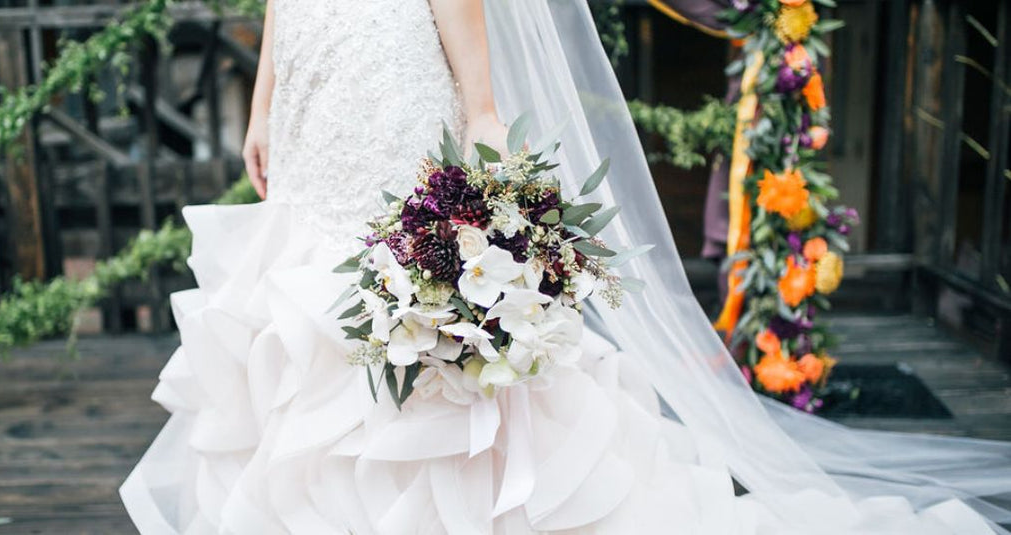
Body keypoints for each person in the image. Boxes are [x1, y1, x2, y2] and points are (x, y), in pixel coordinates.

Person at [120, 0, 1011, 533]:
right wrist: (265, 98)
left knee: (409, 331)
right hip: (312, 106)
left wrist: (486, 143)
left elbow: (472, 64)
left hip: (392, 93)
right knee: (296, 322)